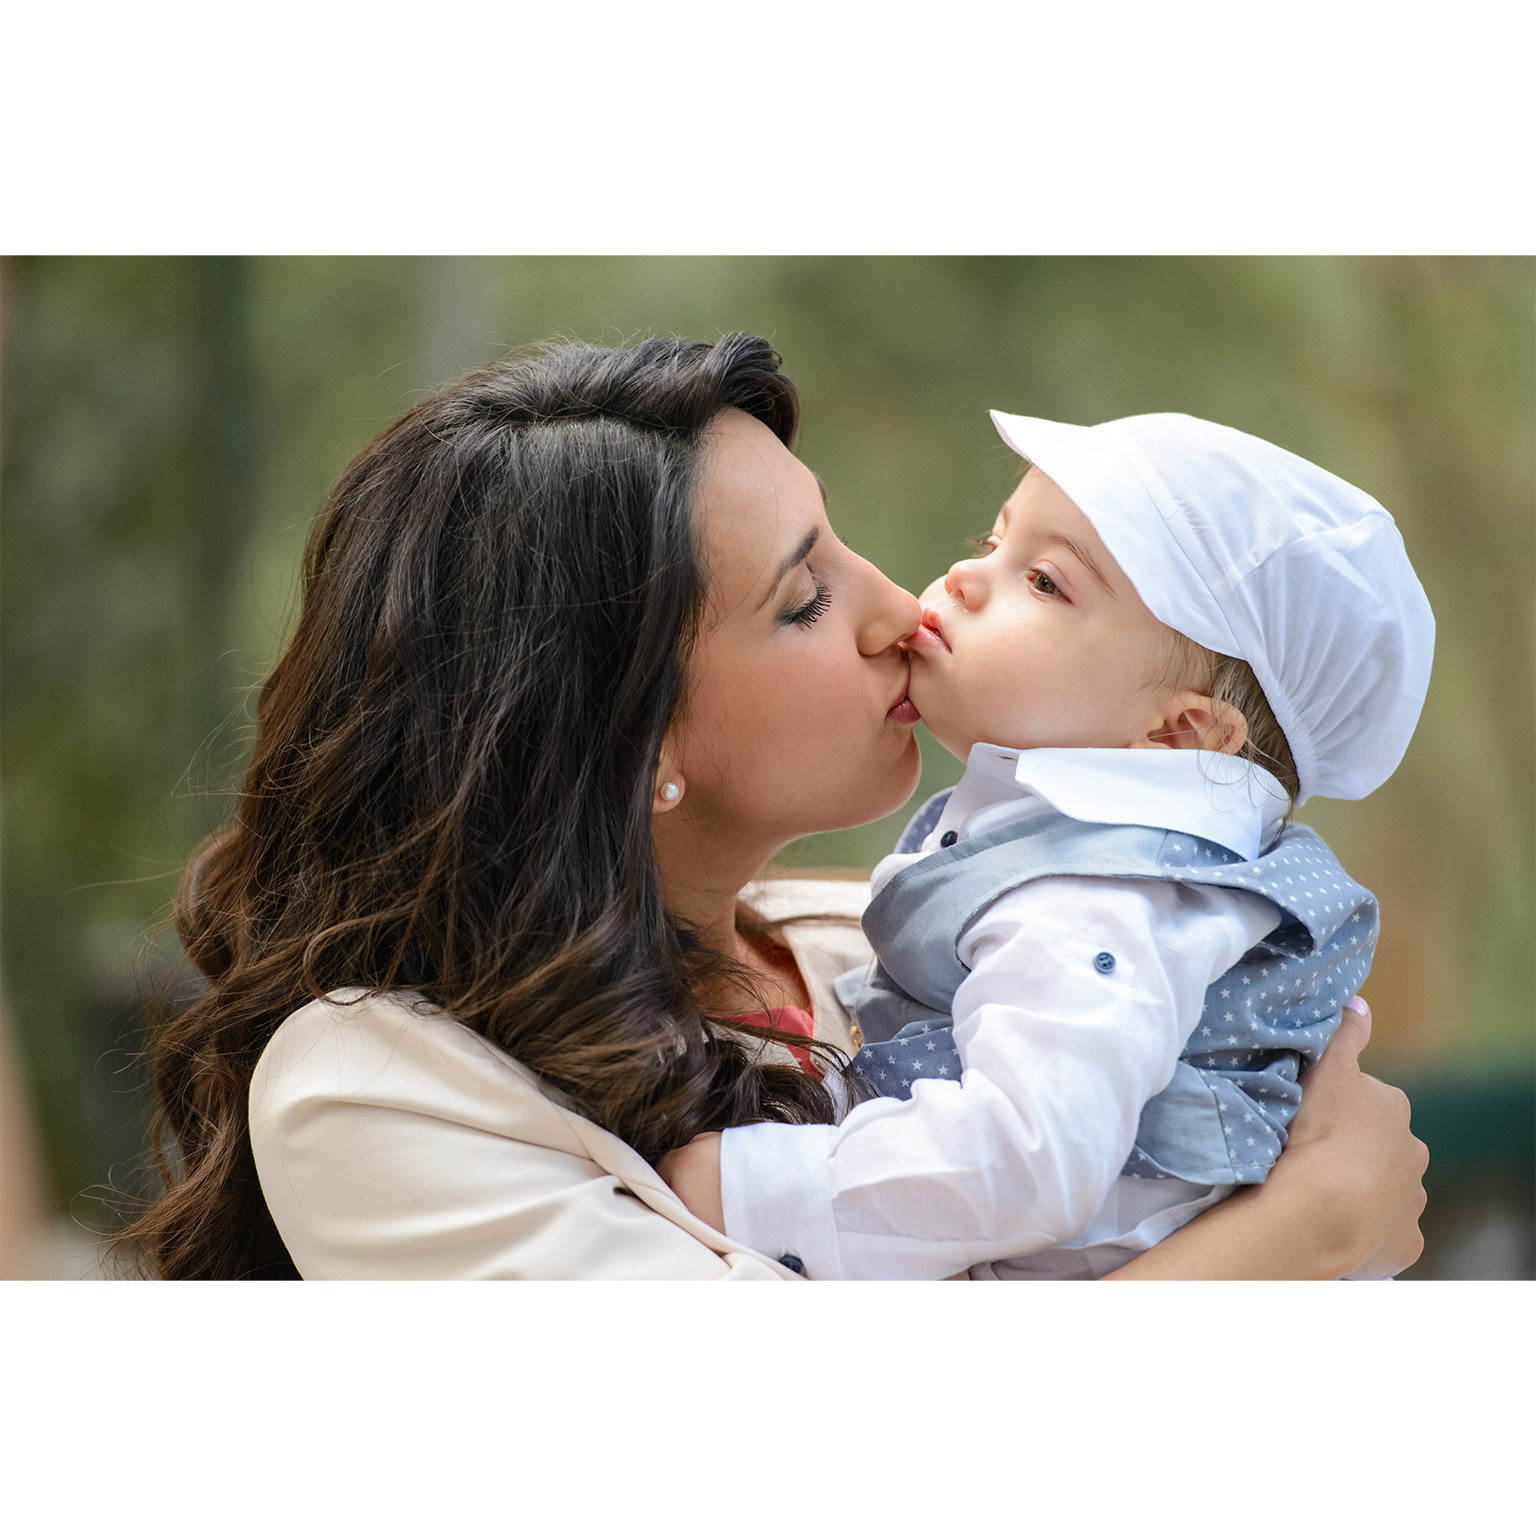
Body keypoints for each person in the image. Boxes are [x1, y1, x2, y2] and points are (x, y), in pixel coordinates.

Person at [112, 335, 1427, 1280]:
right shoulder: (381, 1094)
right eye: (804, 600)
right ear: (628, 737)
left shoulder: (907, 941)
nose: (904, 606)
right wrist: (1291, 1243)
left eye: (843, 542)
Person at [668, 411, 1431, 1280]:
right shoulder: (1090, 869)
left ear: (1179, 733)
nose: (961, 579)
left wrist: (751, 1189)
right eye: (990, 543)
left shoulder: (1095, 898)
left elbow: (1029, 1155)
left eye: (1042, 581)